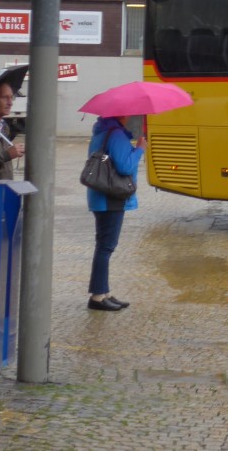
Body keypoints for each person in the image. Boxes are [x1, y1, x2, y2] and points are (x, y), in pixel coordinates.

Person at [86, 114, 146, 312]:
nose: (130, 116)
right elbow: (125, 166)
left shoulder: (101, 132)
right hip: (111, 197)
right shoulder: (117, 134)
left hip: (100, 195)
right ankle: (97, 297)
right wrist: (139, 149)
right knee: (106, 247)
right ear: (120, 114)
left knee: (103, 245)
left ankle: (103, 292)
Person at [0, 69, 24, 180]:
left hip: (2, 192)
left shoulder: (4, 127)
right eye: (5, 97)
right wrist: (7, 155)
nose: (10, 102)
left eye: (11, 97)